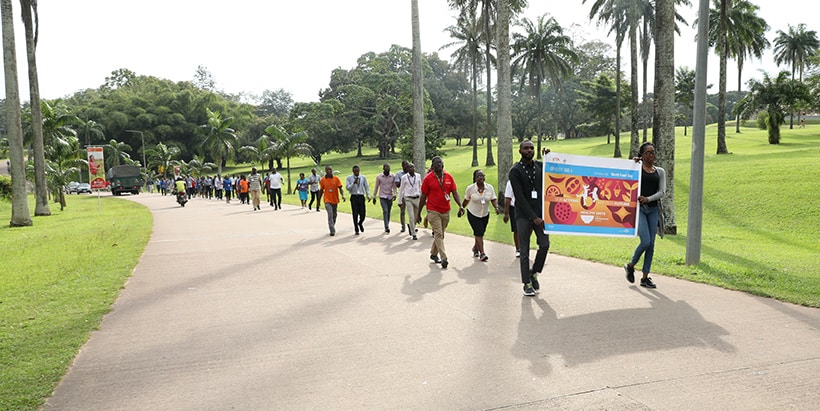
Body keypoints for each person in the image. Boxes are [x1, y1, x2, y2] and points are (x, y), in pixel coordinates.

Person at [509, 140, 550, 297]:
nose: (529, 150)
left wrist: (550, 157)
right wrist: (534, 218)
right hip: (523, 216)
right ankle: (526, 283)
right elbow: (519, 197)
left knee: (545, 245)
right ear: (520, 151)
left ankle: (534, 273)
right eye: (526, 148)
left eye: (532, 148)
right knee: (524, 250)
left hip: (541, 215)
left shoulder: (540, 166)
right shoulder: (515, 171)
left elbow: (557, 171)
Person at [624, 142, 666, 289]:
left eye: (653, 152)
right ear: (641, 155)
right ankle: (631, 265)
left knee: (651, 245)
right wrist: (633, 163)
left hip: (653, 209)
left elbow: (662, 192)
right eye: (648, 152)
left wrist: (648, 199)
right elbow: (625, 176)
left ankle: (645, 277)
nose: (651, 155)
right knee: (645, 241)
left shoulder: (660, 171)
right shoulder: (637, 169)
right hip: (640, 210)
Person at [416, 156, 463, 269]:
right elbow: (423, 196)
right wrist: (418, 213)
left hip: (445, 210)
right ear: (432, 166)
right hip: (433, 210)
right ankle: (444, 258)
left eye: (440, 163)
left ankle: (433, 253)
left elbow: (455, 192)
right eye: (436, 163)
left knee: (441, 234)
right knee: (438, 233)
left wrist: (460, 205)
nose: (439, 165)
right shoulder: (428, 179)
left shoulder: (448, 177)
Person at [460, 169, 499, 262]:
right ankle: (482, 253)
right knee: (478, 232)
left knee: (481, 232)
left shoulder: (490, 188)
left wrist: (496, 207)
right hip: (473, 213)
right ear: (475, 178)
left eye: (482, 176)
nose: (480, 178)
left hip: (485, 214)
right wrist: (461, 208)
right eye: (478, 176)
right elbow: (466, 200)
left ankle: (475, 247)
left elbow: (493, 199)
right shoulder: (470, 188)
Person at [319, 165, 345, 236]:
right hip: (327, 200)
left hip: (335, 200)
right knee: (330, 214)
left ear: (332, 170)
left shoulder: (336, 179)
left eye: (330, 170)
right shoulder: (323, 180)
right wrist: (318, 201)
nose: (329, 171)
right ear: (325, 171)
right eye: (327, 170)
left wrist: (343, 195)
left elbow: (340, 188)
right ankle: (332, 230)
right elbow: (321, 191)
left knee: (334, 215)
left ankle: (332, 225)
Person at [398, 162, 421, 240]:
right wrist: (400, 201)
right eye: (410, 167)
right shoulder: (404, 177)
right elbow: (401, 189)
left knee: (415, 216)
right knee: (411, 216)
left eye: (413, 167)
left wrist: (423, 198)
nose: (412, 169)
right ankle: (413, 233)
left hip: (417, 198)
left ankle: (412, 226)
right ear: (408, 169)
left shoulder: (418, 176)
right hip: (408, 199)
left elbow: (420, 186)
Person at [346, 165, 371, 235]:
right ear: (353, 171)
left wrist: (368, 195)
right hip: (354, 196)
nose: (356, 172)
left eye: (357, 171)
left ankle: (360, 223)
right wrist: (353, 183)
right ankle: (356, 228)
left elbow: (366, 186)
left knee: (363, 213)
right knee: (355, 213)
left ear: (359, 170)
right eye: (355, 171)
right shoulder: (349, 178)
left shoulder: (363, 177)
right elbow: (347, 188)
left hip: (361, 196)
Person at [373, 163, 397, 233]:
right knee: (385, 211)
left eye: (388, 167)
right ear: (383, 168)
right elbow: (376, 187)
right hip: (382, 196)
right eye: (386, 167)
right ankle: (386, 226)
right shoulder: (379, 177)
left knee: (388, 211)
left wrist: (395, 194)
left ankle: (387, 223)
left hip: (390, 196)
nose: (387, 169)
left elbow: (394, 187)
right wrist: (374, 197)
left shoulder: (392, 176)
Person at [502, 180, 521, 258]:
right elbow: (508, 198)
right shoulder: (511, 182)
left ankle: (523, 245)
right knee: (516, 229)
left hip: (526, 207)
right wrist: (506, 213)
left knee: (528, 229)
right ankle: (518, 249)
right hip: (515, 207)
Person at [395, 160, 410, 233]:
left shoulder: (411, 173)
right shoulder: (399, 174)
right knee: (402, 212)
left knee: (411, 212)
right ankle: (403, 226)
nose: (407, 166)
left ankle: (412, 226)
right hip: (403, 195)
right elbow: (397, 184)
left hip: (410, 195)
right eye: (405, 165)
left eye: (408, 165)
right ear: (402, 166)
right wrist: (404, 181)